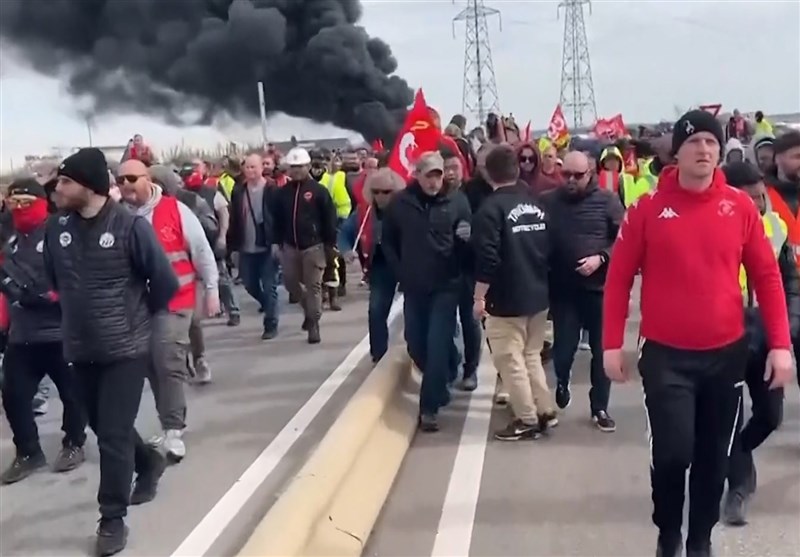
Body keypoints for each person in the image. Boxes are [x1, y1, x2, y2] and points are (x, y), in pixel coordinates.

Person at [602, 110, 794, 557]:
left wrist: (780, 345)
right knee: (673, 455)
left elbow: (767, 277)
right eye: (695, 143)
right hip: (666, 355)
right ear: (678, 151)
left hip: (725, 354)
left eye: (712, 143)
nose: (704, 151)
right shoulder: (647, 209)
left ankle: (699, 541)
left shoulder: (740, 207)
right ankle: (668, 532)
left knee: (712, 460)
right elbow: (618, 279)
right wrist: (612, 343)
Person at [45, 148, 179, 557]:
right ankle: (149, 462)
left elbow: (165, 282)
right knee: (104, 429)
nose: (57, 189)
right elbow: (55, 280)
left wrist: (137, 322)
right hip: (80, 348)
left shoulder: (129, 227)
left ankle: (112, 518)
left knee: (113, 437)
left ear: (87, 186)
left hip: (125, 349)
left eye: (65, 182)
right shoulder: (57, 229)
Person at [118, 159, 219, 462]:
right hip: (139, 306)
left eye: (131, 178)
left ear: (148, 179)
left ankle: (174, 429)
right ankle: (168, 422)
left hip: (176, 299)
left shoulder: (176, 209)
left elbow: (201, 251)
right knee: (149, 362)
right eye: (119, 180)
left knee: (166, 359)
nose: (125, 185)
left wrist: (212, 289)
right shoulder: (118, 217)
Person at [721, 161, 800, 526]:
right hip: (725, 336)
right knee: (728, 416)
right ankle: (737, 488)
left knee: (770, 415)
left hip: (766, 334)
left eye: (759, 196)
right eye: (747, 197)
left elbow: (789, 282)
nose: (755, 204)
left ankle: (735, 452)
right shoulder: (713, 225)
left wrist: (789, 329)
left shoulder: (776, 227)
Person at [0, 178, 87, 484]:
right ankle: (28, 452)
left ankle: (74, 443)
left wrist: (50, 297)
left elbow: (76, 276)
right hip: (22, 335)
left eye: (26, 202)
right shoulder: (9, 240)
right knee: (13, 395)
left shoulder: (59, 233)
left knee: (73, 394)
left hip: (60, 332)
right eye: (14, 204)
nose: (20, 209)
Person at [382, 152, 472, 432]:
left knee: (435, 343)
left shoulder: (457, 201)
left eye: (438, 175)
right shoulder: (400, 204)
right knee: (415, 343)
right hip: (414, 287)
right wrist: (401, 273)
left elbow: (469, 240)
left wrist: (466, 238)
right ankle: (449, 366)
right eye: (428, 176)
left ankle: (429, 408)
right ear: (417, 176)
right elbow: (389, 242)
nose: (434, 182)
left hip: (446, 286)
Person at [471, 145, 556, 441]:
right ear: (518, 170)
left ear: (486, 173)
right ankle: (545, 408)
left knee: (510, 359)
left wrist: (479, 297)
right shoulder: (537, 205)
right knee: (532, 354)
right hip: (539, 292)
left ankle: (527, 418)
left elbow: (488, 260)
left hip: (507, 297)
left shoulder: (489, 210)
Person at [542, 151, 623, 432]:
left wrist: (601, 257)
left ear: (590, 173)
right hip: (564, 291)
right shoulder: (549, 201)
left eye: (579, 175)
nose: (572, 181)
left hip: (600, 290)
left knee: (602, 353)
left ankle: (599, 407)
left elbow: (624, 239)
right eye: (567, 175)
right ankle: (561, 381)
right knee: (563, 350)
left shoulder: (607, 202)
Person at [272, 148, 338, 344]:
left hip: (314, 246)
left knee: (314, 286)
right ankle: (309, 312)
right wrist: (276, 242)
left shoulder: (319, 191)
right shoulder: (282, 194)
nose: (296, 171)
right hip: (290, 246)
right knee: (291, 283)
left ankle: (314, 324)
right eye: (293, 167)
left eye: (300, 166)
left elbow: (329, 219)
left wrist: (329, 245)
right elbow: (276, 220)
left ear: (308, 166)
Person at [340, 168, 405, 363]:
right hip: (379, 266)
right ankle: (379, 355)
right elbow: (344, 233)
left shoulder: (407, 210)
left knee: (414, 311)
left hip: (406, 265)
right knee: (376, 310)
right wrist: (346, 251)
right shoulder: (363, 213)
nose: (380, 196)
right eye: (376, 191)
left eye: (386, 192)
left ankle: (417, 349)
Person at [227, 153, 280, 339]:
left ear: (261, 168)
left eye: (253, 167)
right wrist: (232, 248)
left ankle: (271, 324)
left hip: (266, 245)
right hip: (246, 246)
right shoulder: (239, 190)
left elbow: (279, 218)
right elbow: (234, 220)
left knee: (269, 284)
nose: (250, 171)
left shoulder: (272, 190)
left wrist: (276, 242)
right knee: (249, 284)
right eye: (247, 167)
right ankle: (268, 304)